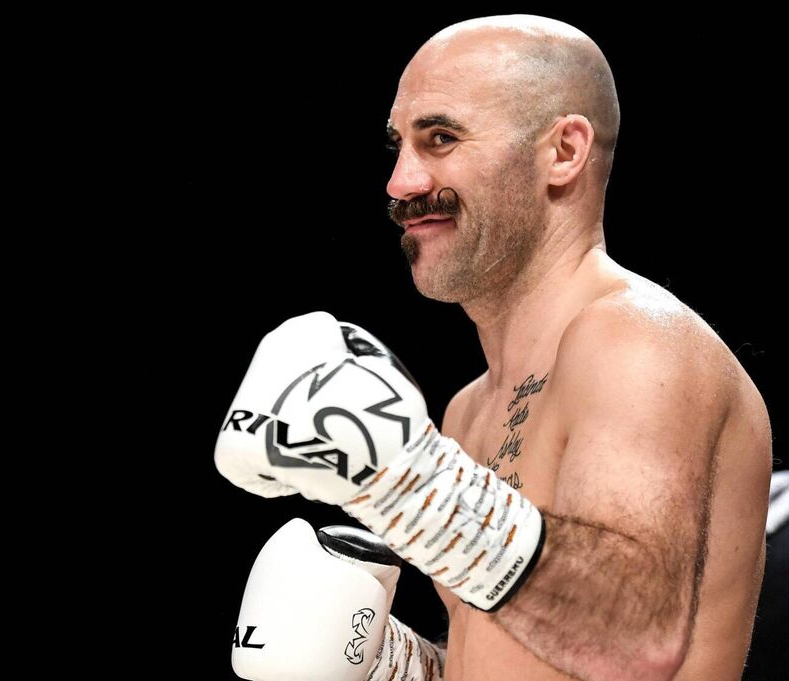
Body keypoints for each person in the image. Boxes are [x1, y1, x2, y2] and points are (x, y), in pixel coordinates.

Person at [215, 14, 772, 681]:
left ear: (563, 152)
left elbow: (633, 639)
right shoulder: (468, 409)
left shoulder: (636, 341)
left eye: (441, 138)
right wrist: (393, 665)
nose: (401, 182)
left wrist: (407, 484)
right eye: (399, 146)